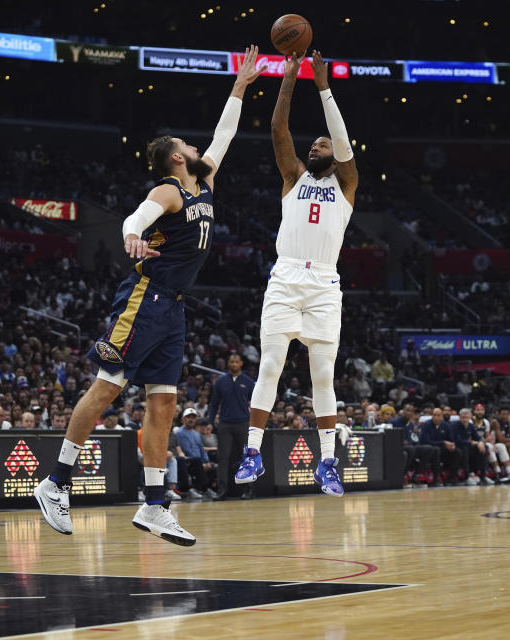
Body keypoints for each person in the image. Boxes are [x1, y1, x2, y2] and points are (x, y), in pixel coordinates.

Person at [33, 46, 265, 545]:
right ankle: (55, 482)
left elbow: (224, 136)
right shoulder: (170, 191)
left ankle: (154, 504)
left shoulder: (202, 182)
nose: (198, 147)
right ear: (177, 158)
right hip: (145, 298)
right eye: (188, 144)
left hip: (173, 310)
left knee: (162, 405)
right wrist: (132, 237)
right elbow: (133, 218)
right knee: (108, 388)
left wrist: (240, 87)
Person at [234, 49, 358, 498]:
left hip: (325, 283)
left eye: (322, 145)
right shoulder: (294, 176)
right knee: (270, 365)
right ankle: (252, 452)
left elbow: (343, 145)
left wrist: (323, 87)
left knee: (321, 377)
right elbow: (277, 129)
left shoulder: (345, 184)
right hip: (285, 278)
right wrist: (289, 78)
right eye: (315, 144)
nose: (315, 146)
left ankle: (328, 463)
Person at [207, 353, 254, 500]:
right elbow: (214, 404)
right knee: (222, 457)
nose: (233, 364)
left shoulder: (248, 382)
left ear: (241, 364)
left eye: (236, 361)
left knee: (247, 457)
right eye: (231, 362)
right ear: (228, 364)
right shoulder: (220, 381)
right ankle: (222, 490)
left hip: (243, 423)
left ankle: (249, 489)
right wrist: (210, 422)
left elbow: (256, 403)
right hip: (225, 423)